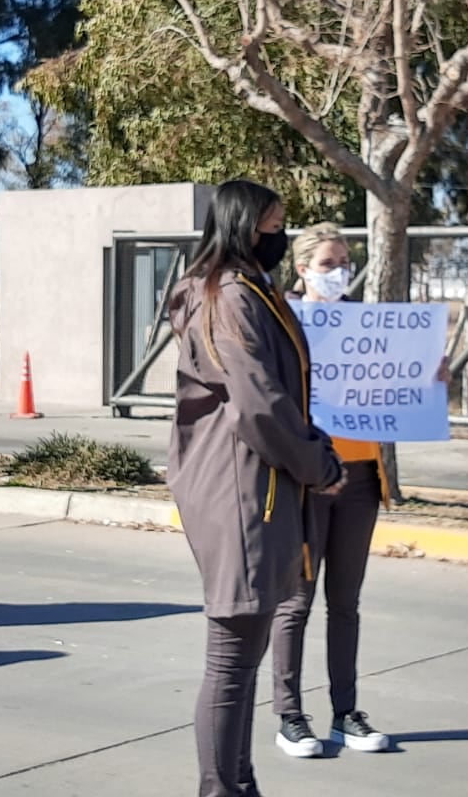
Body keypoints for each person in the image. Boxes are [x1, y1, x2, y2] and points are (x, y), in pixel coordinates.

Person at [168, 180, 344, 797]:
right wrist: (317, 464)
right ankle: (222, 788)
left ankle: (239, 784)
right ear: (245, 228)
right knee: (232, 659)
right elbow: (258, 406)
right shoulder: (229, 297)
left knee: (242, 657)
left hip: (256, 485)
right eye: (274, 225)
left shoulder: (246, 292)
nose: (282, 235)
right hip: (244, 490)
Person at [270, 222, 393, 758]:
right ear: (302, 269)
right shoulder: (288, 324)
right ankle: (290, 715)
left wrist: (428, 379)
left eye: (345, 262)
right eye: (327, 264)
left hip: (363, 474)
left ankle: (346, 712)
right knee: (296, 601)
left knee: (346, 602)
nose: (340, 271)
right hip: (312, 476)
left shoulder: (370, 324)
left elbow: (396, 383)